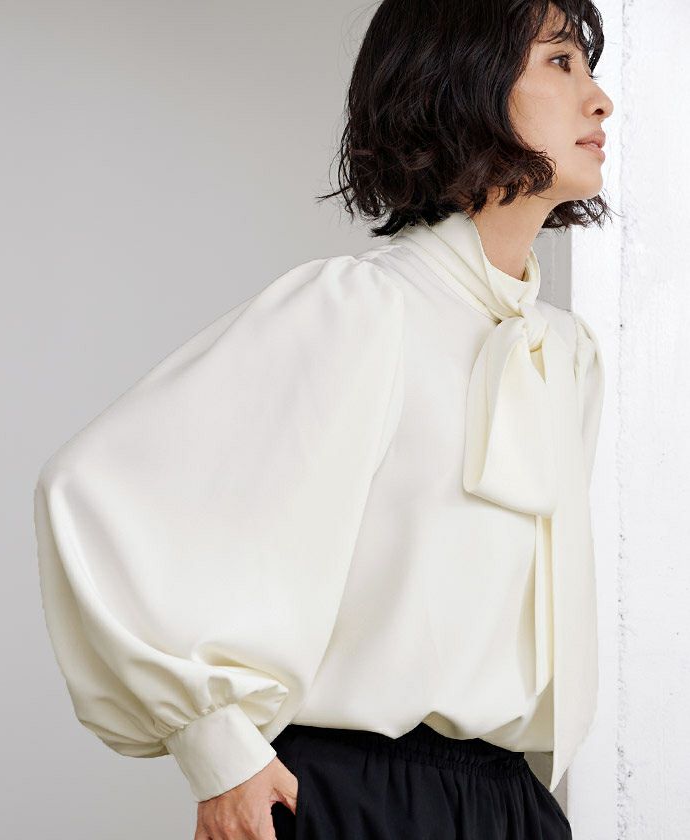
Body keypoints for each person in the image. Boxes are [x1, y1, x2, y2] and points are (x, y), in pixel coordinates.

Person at [33, 0, 614, 838]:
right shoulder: (362, 309)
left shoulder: (566, 354)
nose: (600, 99)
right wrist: (215, 743)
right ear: (465, 83)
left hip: (511, 804)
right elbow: (91, 489)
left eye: (590, 69)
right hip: (353, 796)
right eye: (560, 62)